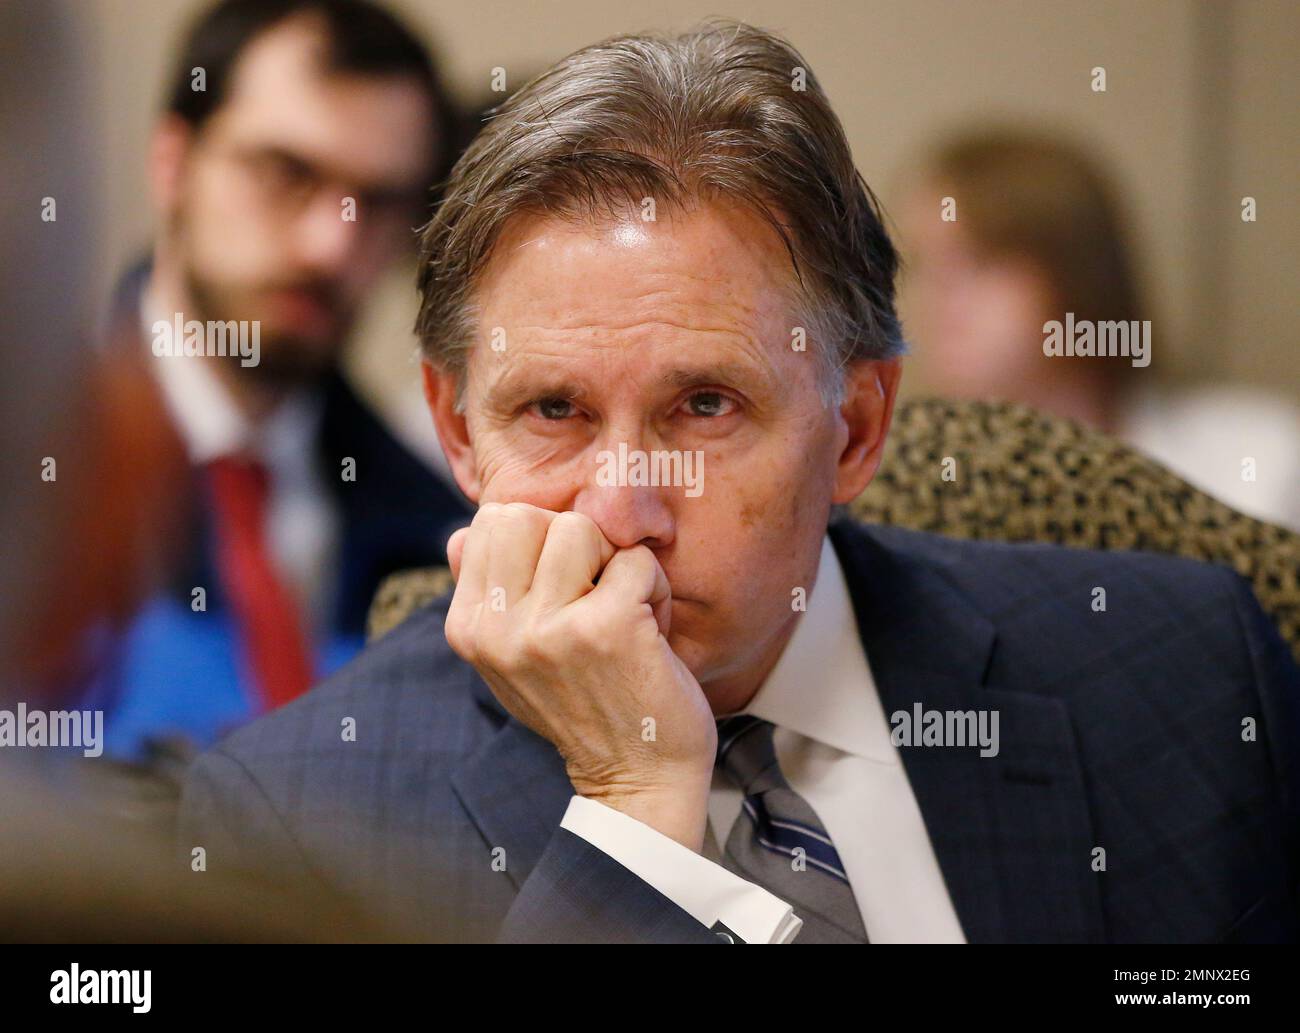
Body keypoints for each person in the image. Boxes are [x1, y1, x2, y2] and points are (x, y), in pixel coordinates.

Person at [179, 22, 1300, 943]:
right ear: (458, 435)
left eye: (704, 405)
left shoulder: (1190, 682)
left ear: (856, 427)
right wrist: (631, 812)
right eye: (553, 412)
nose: (623, 507)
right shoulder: (293, 827)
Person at [77, 0, 474, 761]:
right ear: (173, 164)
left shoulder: (443, 531)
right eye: (285, 174)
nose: (332, 243)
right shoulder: (33, 483)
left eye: (380, 200)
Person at [895, 129, 1300, 531]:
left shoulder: (1262, 463)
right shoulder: (903, 496)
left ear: (1076, 275)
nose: (936, 293)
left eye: (979, 262)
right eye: (924, 264)